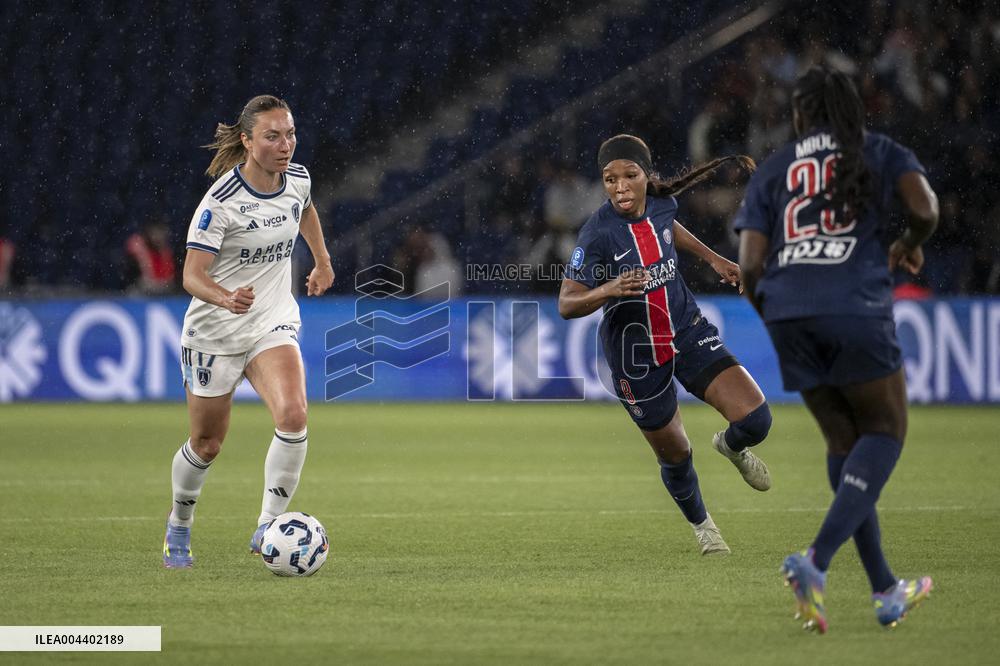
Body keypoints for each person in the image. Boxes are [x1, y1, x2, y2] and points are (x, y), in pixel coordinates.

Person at [734, 65, 939, 632]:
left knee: (844, 444)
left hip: (787, 309)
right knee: (885, 432)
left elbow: (750, 265)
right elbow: (925, 210)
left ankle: (885, 590)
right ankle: (815, 562)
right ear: (853, 108)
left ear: (800, 114)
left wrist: (774, 314)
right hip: (854, 305)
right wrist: (906, 244)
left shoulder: (774, 168)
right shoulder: (877, 150)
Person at [559, 134, 773, 556]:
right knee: (676, 455)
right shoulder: (597, 233)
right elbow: (567, 303)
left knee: (757, 420)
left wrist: (713, 258)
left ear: (646, 176)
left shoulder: (662, 203)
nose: (619, 187)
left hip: (685, 330)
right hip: (637, 355)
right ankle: (703, 526)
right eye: (609, 179)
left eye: (629, 176)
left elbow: (667, 227)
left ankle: (730, 446)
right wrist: (611, 289)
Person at [163, 94, 335, 568]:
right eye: (273, 136)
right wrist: (225, 297)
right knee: (207, 443)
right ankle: (179, 521)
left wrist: (321, 260)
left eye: (291, 134)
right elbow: (191, 276)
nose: (286, 145)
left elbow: (304, 209)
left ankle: (268, 526)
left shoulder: (296, 179)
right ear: (247, 141)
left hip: (270, 319)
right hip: (215, 331)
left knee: (294, 414)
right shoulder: (220, 202)